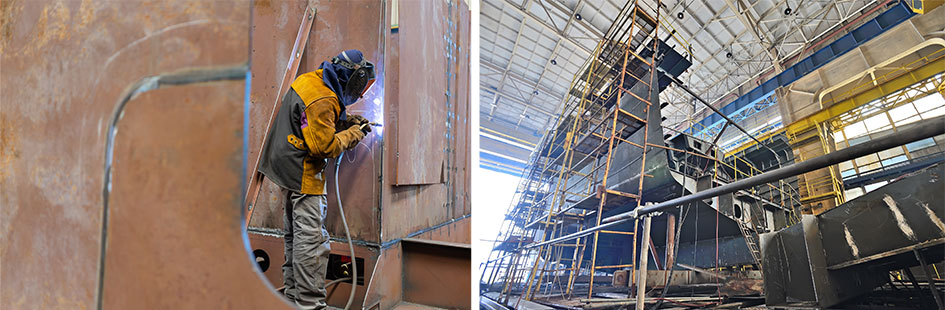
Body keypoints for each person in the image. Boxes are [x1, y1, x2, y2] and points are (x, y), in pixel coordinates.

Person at [258, 49, 376, 309]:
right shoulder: (322, 100)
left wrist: (345, 122)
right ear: (351, 79)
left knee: (295, 239)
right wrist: (354, 133)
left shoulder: (312, 80)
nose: (362, 94)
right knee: (311, 244)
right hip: (303, 175)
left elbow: (309, 122)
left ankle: (292, 299)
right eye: (360, 87)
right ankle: (311, 304)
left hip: (285, 169)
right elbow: (324, 147)